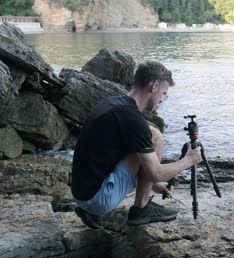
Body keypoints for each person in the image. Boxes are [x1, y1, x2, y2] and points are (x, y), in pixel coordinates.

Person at [71, 60, 202, 229]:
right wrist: (189, 160)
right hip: (97, 200)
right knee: (155, 137)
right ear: (153, 86)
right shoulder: (133, 119)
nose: (163, 99)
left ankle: (95, 210)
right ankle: (142, 208)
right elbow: (156, 173)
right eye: (163, 93)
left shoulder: (112, 103)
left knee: (150, 135)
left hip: (81, 193)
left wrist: (153, 185)